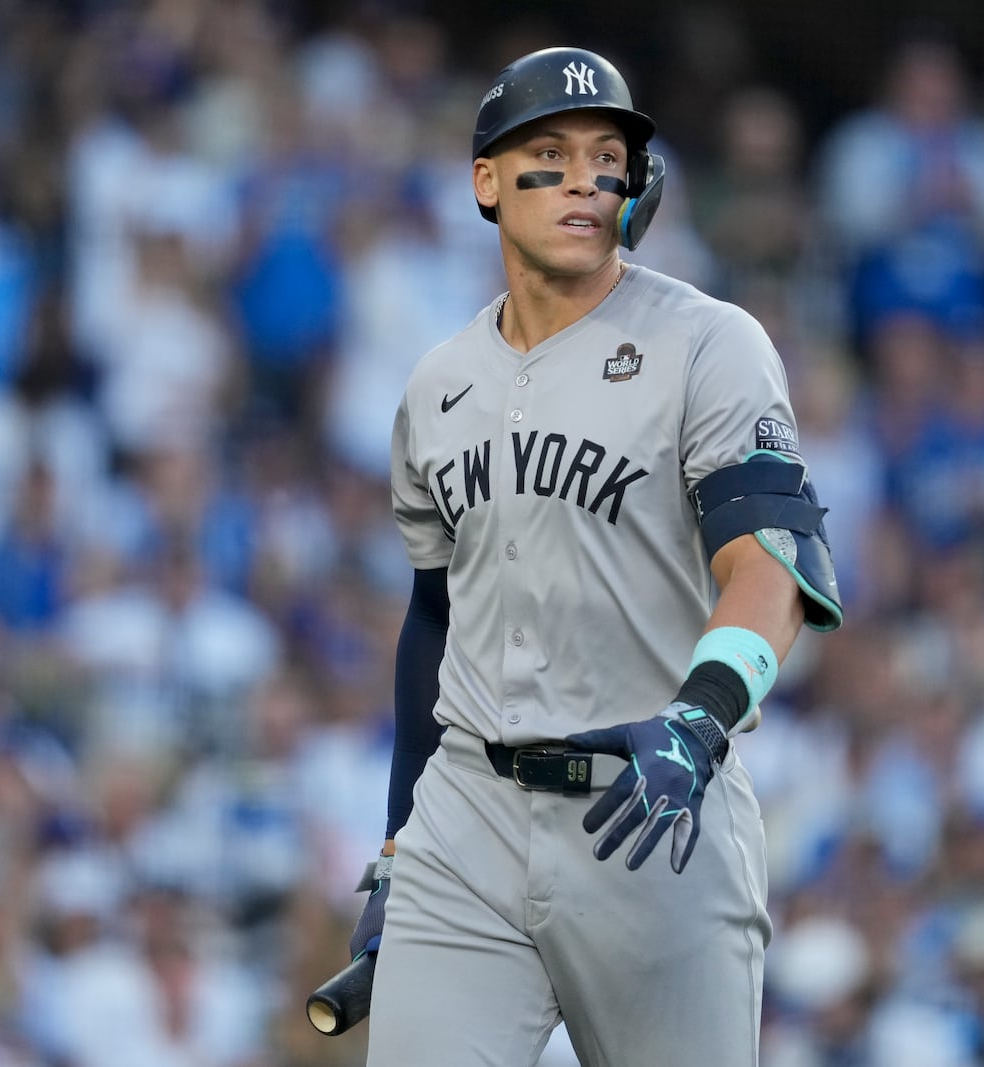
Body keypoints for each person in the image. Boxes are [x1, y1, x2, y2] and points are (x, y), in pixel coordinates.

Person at [341, 45, 843, 1066]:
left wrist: (701, 716)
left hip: (654, 813)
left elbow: (772, 566)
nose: (583, 176)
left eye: (606, 155)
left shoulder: (711, 342)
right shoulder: (436, 384)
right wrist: (400, 842)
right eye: (549, 152)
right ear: (485, 182)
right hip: (468, 820)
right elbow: (433, 618)